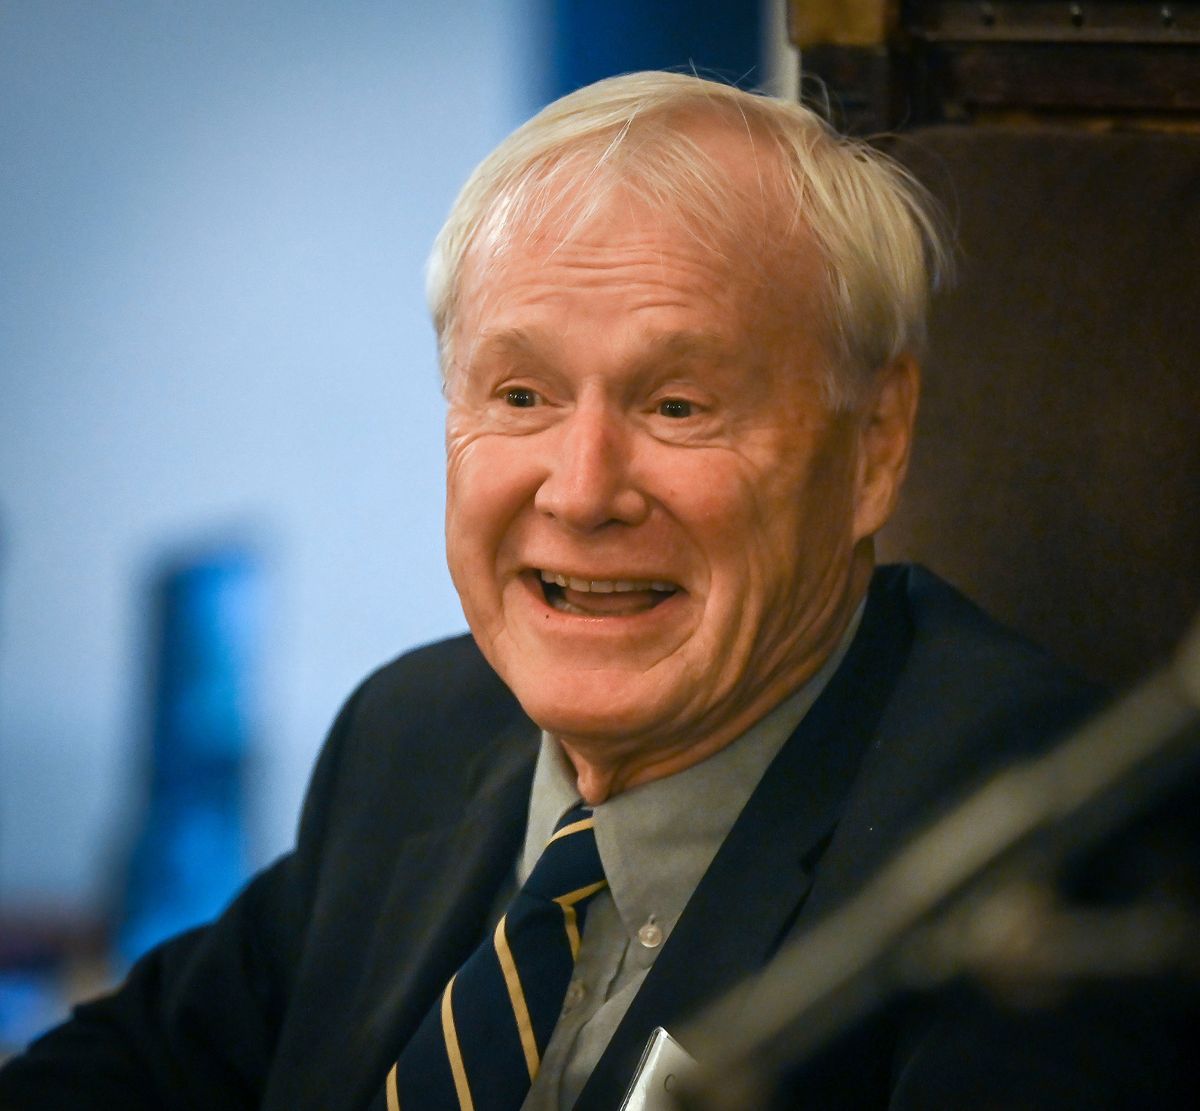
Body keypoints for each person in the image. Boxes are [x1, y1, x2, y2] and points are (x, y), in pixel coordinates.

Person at [0, 71, 1180, 1110]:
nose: (582, 489)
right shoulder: (415, 730)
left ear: (873, 445)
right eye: (520, 396)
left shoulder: (1037, 850)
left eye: (677, 405)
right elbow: (132, 1067)